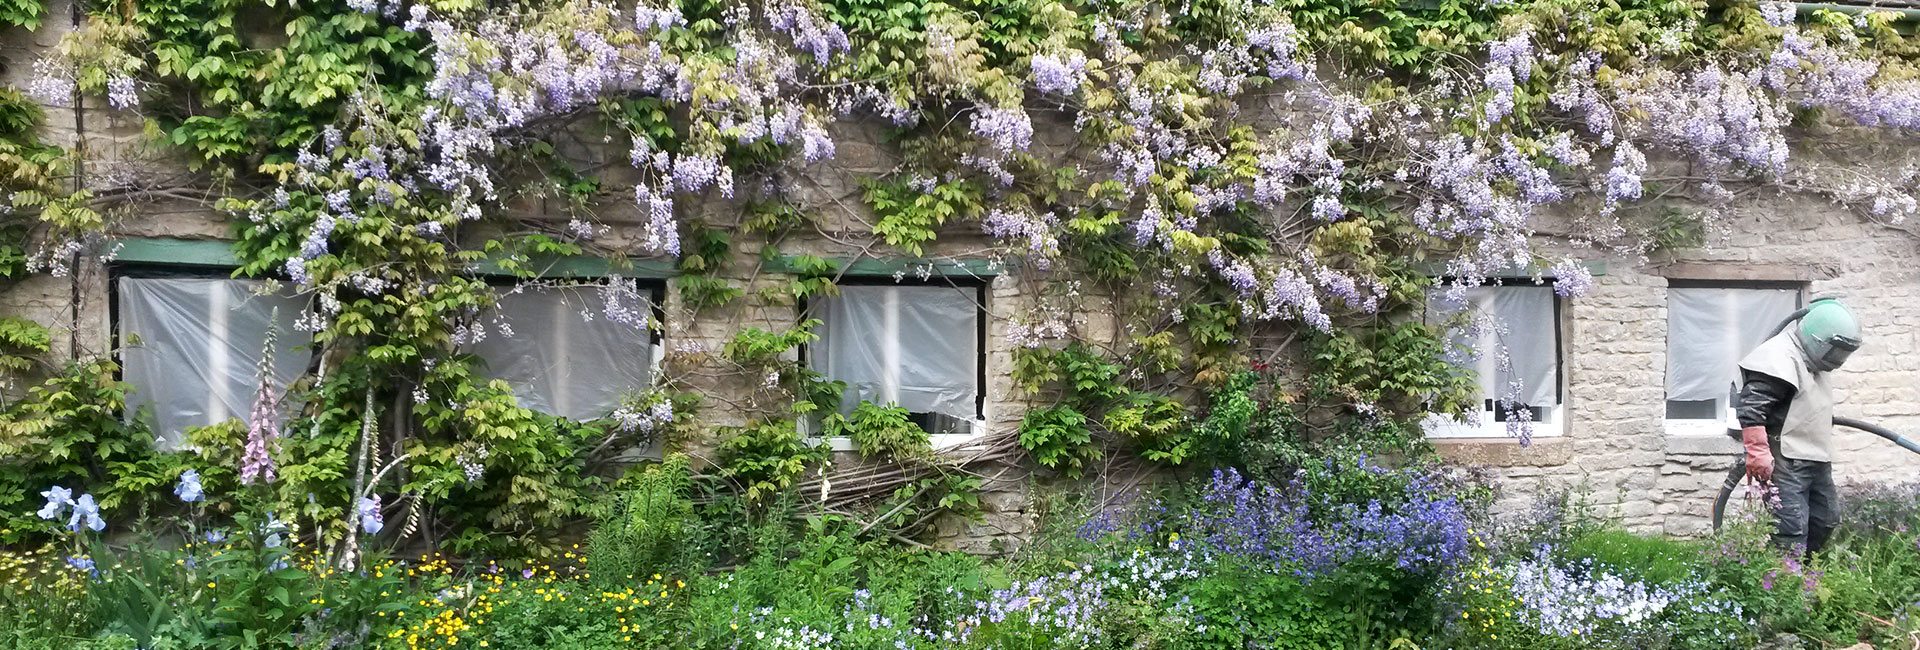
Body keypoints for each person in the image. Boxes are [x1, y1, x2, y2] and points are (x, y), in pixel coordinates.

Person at [1734, 297, 1863, 558]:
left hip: (1816, 455)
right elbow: (1751, 408)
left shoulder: (1814, 361)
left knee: (1825, 519)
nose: (1837, 359)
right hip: (1787, 458)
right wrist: (1757, 451)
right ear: (1818, 339)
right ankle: (1783, 583)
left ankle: (1800, 574)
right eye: (1835, 350)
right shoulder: (1779, 356)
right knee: (1790, 529)